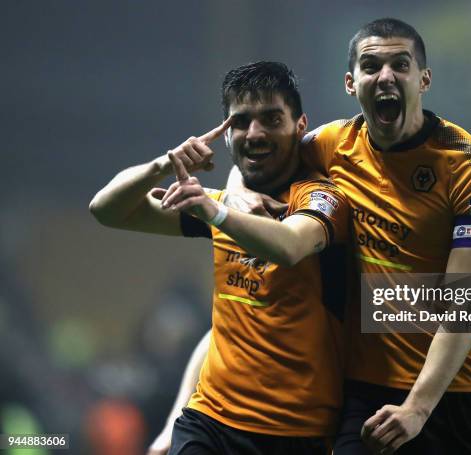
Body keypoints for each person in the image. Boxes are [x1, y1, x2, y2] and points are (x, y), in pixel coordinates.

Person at [227, 18, 471, 454]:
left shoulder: (470, 163)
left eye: (401, 65)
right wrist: (237, 190)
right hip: (367, 389)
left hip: (459, 392)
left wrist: (418, 408)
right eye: (371, 66)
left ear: (424, 79)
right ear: (350, 82)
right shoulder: (331, 144)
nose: (386, 77)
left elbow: (467, 302)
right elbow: (260, 153)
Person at [90, 61, 350, 454]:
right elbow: (106, 209)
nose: (255, 133)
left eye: (271, 118)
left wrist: (217, 212)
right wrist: (165, 164)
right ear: (226, 135)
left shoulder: (324, 198)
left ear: (300, 126)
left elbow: (289, 246)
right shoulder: (219, 206)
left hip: (297, 430)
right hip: (210, 422)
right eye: (240, 122)